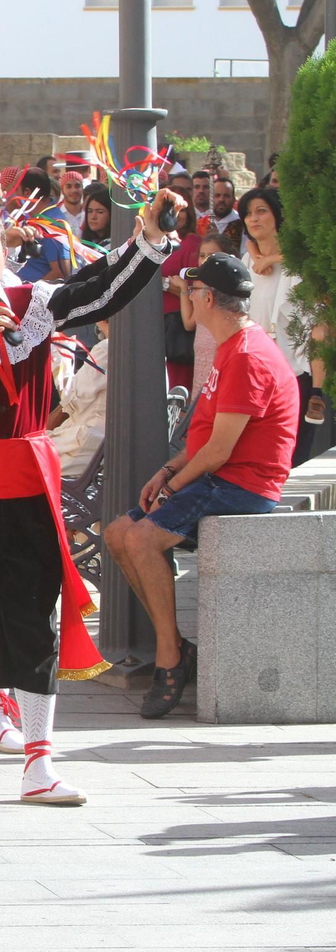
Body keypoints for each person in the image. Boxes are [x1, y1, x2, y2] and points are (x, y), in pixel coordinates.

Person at [0, 195, 178, 805]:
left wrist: (148, 242)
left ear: (5, 250)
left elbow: (97, 292)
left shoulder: (33, 305)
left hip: (24, 482)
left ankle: (39, 761)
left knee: (32, 621)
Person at [105, 252, 298, 719]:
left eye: (191, 290)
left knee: (142, 539)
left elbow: (219, 452)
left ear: (208, 298)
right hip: (220, 477)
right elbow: (205, 440)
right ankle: (176, 646)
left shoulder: (248, 355)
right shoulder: (231, 345)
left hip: (243, 486)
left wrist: (171, 489)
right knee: (117, 535)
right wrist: (166, 472)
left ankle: (170, 658)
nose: (186, 296)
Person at [238, 187, 316, 464]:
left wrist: (272, 259)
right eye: (248, 214)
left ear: (277, 215)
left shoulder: (300, 260)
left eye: (261, 211)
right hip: (258, 370)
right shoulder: (247, 261)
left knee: (293, 450)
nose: (254, 219)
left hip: (295, 368)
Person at [47, 321, 110, 480]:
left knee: (14, 459)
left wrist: (60, 362)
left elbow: (71, 401)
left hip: (88, 449)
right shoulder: (153, 351)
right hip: (104, 447)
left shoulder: (107, 348)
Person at [159, 198, 205, 389]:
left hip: (179, 328)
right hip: (156, 326)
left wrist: (163, 283)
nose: (175, 214)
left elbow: (198, 291)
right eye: (170, 209)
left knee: (178, 386)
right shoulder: (155, 242)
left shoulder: (192, 244)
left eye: (181, 209)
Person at [180, 233, 228, 396]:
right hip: (201, 349)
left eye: (212, 255)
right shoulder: (199, 283)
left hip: (219, 347)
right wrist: (183, 289)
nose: (205, 260)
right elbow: (189, 322)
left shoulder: (228, 288)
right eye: (202, 255)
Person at [59, 170, 88, 235]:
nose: (74, 190)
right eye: (69, 186)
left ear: (82, 188)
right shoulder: (56, 214)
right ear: (62, 191)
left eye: (77, 186)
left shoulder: (88, 213)